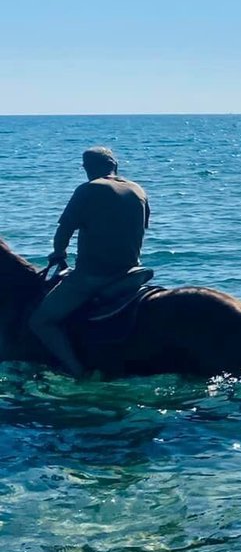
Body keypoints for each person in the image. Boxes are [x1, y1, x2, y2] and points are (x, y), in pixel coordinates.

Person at [29, 146, 151, 378]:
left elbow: (64, 231)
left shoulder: (88, 190)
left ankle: (78, 372)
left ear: (88, 168)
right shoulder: (138, 189)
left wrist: (59, 254)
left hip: (94, 276)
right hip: (133, 274)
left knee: (41, 321)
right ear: (114, 166)